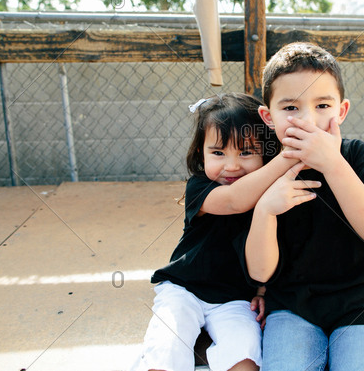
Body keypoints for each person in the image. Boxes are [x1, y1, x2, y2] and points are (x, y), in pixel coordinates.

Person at [244, 43, 364, 371]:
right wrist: (265, 211)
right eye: (290, 107)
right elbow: (260, 272)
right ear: (268, 116)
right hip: (291, 304)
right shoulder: (264, 169)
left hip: (359, 301)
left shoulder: (356, 155)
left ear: (341, 111)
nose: (308, 120)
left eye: (322, 105)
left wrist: (334, 164)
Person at [131, 93, 306, 371]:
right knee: (167, 346)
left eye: (246, 152)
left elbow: (272, 249)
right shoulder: (200, 188)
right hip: (184, 289)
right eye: (218, 152)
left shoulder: (271, 196)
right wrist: (289, 157)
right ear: (201, 152)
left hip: (235, 299)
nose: (232, 165)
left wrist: (262, 290)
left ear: (265, 152)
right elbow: (236, 200)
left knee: (245, 355)